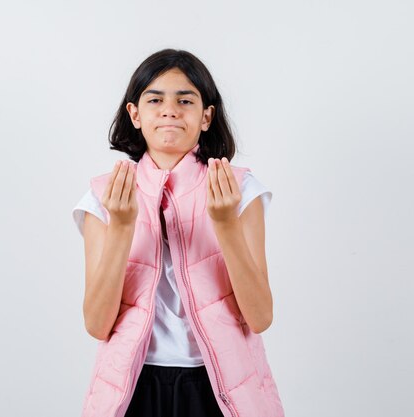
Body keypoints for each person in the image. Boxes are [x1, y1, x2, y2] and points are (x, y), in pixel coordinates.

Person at [71, 48, 285, 417]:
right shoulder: (103, 196)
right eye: (155, 99)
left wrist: (225, 224)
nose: (170, 109)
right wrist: (121, 227)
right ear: (134, 114)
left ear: (206, 116)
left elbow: (260, 317)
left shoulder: (240, 190)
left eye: (185, 99)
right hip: (133, 384)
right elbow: (97, 324)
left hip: (218, 387)